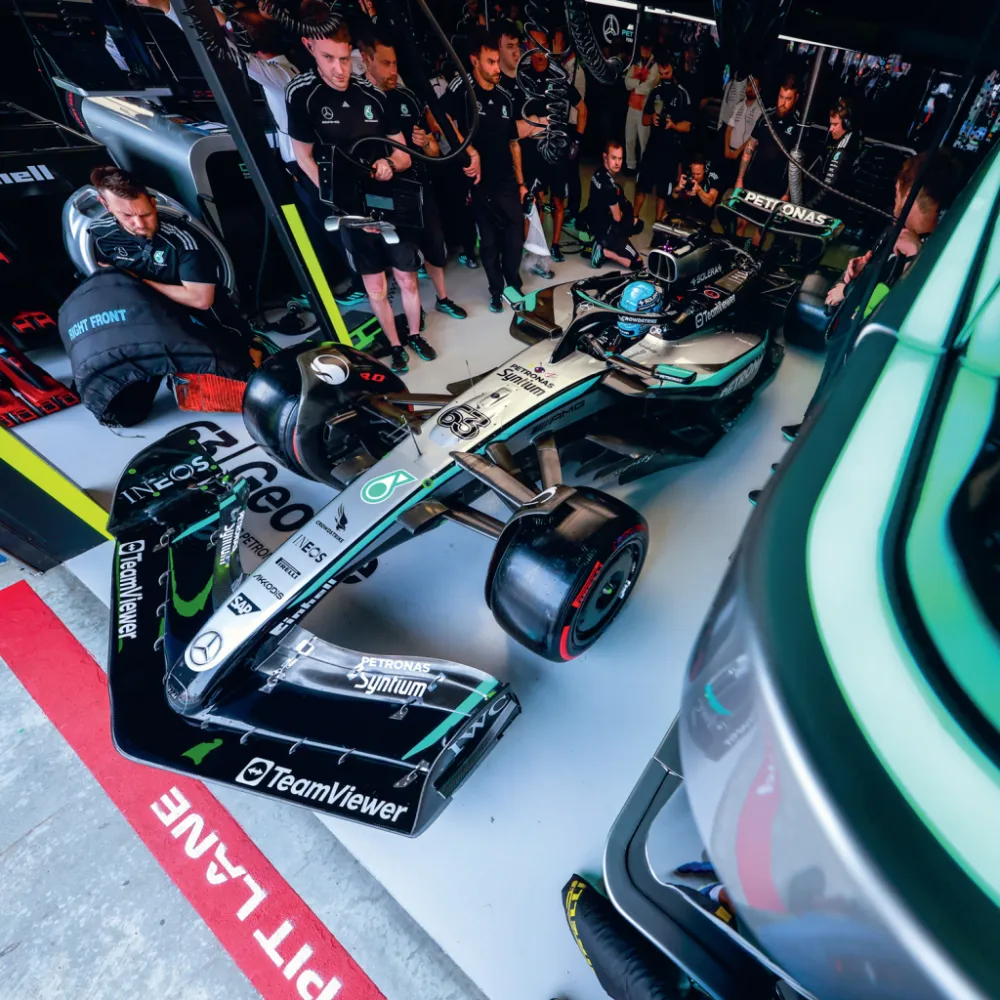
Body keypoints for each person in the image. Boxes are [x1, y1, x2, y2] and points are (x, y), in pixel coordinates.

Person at [285, 15, 430, 374]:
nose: (339, 69)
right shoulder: (302, 94)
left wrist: (390, 164)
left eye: (344, 58)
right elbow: (304, 158)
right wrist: (344, 208)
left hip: (388, 204)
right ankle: (394, 345)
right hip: (350, 210)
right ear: (310, 49)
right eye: (328, 58)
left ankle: (414, 334)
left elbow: (403, 154)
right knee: (376, 287)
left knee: (407, 277)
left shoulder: (373, 95)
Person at [358, 32, 468, 321]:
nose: (393, 71)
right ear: (366, 60)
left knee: (435, 247)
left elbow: (433, 150)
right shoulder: (358, 99)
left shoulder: (407, 97)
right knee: (402, 259)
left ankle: (443, 298)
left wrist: (426, 142)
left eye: (395, 63)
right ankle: (413, 310)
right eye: (386, 64)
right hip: (382, 197)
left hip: (419, 189)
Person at [441, 28, 527, 313]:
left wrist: (521, 183)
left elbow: (513, 142)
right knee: (488, 242)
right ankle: (496, 291)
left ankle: (512, 282)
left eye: (497, 61)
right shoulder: (461, 88)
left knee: (515, 238)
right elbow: (438, 116)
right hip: (479, 183)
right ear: (474, 61)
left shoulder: (504, 96)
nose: (496, 68)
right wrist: (469, 151)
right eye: (490, 62)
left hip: (506, 181)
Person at [89, 166, 234, 324]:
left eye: (146, 214)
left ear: (153, 203)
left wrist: (136, 280)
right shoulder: (99, 235)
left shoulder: (183, 240)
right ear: (106, 205)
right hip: (141, 317)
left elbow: (201, 300)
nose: (140, 224)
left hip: (195, 320)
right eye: (127, 215)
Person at [516, 28, 585, 262]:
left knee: (557, 200)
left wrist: (577, 140)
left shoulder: (558, 76)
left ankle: (555, 244)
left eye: (543, 45)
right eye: (535, 44)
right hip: (531, 149)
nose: (539, 50)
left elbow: (583, 110)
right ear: (528, 46)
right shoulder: (522, 77)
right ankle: (532, 245)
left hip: (555, 149)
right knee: (533, 199)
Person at [634, 51, 691, 223]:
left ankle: (658, 223)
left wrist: (673, 125)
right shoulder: (656, 91)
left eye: (667, 73)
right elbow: (644, 120)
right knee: (642, 186)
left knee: (663, 192)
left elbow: (688, 126)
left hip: (670, 151)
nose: (665, 76)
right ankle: (634, 218)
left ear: (673, 70)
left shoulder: (682, 94)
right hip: (653, 147)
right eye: (661, 73)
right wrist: (652, 117)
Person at [736, 75, 801, 198]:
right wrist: (740, 179)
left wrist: (787, 194)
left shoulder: (798, 125)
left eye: (788, 99)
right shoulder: (766, 117)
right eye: (781, 97)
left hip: (775, 188)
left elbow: (797, 166)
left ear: (796, 98)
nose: (783, 103)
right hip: (752, 180)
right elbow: (749, 149)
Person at [586, 139, 643, 270]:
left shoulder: (598, 172)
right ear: (605, 157)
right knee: (638, 264)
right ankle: (606, 252)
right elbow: (617, 218)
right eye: (613, 158)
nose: (617, 163)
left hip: (595, 222)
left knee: (637, 224)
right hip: (608, 231)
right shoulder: (609, 187)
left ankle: (604, 243)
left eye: (620, 158)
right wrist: (628, 220)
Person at [806, 97, 863, 214]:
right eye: (830, 124)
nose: (831, 129)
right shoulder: (853, 139)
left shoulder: (842, 150)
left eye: (835, 124)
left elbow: (828, 187)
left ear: (846, 124)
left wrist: (808, 207)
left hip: (832, 209)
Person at [623, 39, 659, 174]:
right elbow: (627, 83)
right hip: (632, 105)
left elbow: (649, 87)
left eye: (647, 47)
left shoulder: (655, 65)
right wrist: (639, 82)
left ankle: (643, 169)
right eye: (643, 47)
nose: (645, 50)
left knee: (644, 141)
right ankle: (630, 165)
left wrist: (635, 86)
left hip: (645, 108)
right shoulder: (635, 62)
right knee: (629, 138)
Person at [721, 75, 762, 186]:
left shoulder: (760, 110)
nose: (750, 89)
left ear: (759, 90)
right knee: (723, 183)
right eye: (749, 85)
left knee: (736, 185)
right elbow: (729, 128)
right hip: (729, 151)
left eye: (754, 86)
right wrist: (726, 148)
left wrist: (738, 152)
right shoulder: (739, 105)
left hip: (743, 155)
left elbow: (753, 136)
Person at [671, 153, 721, 225]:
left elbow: (710, 202)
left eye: (698, 174)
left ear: (704, 171)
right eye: (693, 173)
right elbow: (675, 196)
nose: (695, 177)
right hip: (684, 214)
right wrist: (677, 188)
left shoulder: (713, 177)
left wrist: (699, 190)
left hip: (702, 219)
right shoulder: (687, 173)